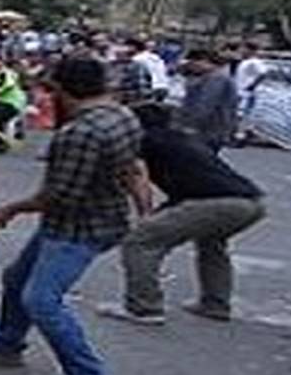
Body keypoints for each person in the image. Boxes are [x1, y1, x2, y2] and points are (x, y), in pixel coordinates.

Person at [0, 57, 143, 375]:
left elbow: (60, 195)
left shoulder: (80, 133)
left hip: (78, 227)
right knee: (16, 278)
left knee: (42, 300)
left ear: (61, 90)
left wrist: (11, 208)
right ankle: (5, 344)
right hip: (95, 218)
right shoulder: (122, 115)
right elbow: (132, 168)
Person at [95, 102, 266, 326]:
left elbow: (137, 177)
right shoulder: (180, 139)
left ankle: (144, 307)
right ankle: (215, 303)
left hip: (216, 203)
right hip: (250, 202)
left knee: (140, 241)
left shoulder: (146, 140)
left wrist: (145, 213)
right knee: (211, 243)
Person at [178, 48, 238, 153]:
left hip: (209, 128)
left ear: (204, 61)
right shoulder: (212, 77)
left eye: (193, 64)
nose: (192, 68)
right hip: (211, 127)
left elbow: (205, 104)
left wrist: (190, 124)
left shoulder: (216, 78)